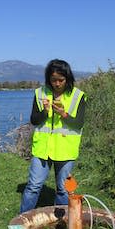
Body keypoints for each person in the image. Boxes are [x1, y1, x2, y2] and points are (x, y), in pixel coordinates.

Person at [20, 59, 86, 213]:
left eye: (61, 80)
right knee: (33, 186)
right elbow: (34, 120)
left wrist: (63, 114)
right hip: (42, 150)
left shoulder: (78, 96)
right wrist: (45, 111)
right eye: (53, 80)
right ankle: (21, 223)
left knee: (63, 189)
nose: (57, 84)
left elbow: (78, 124)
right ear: (48, 79)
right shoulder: (40, 93)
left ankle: (62, 224)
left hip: (66, 150)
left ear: (68, 78)